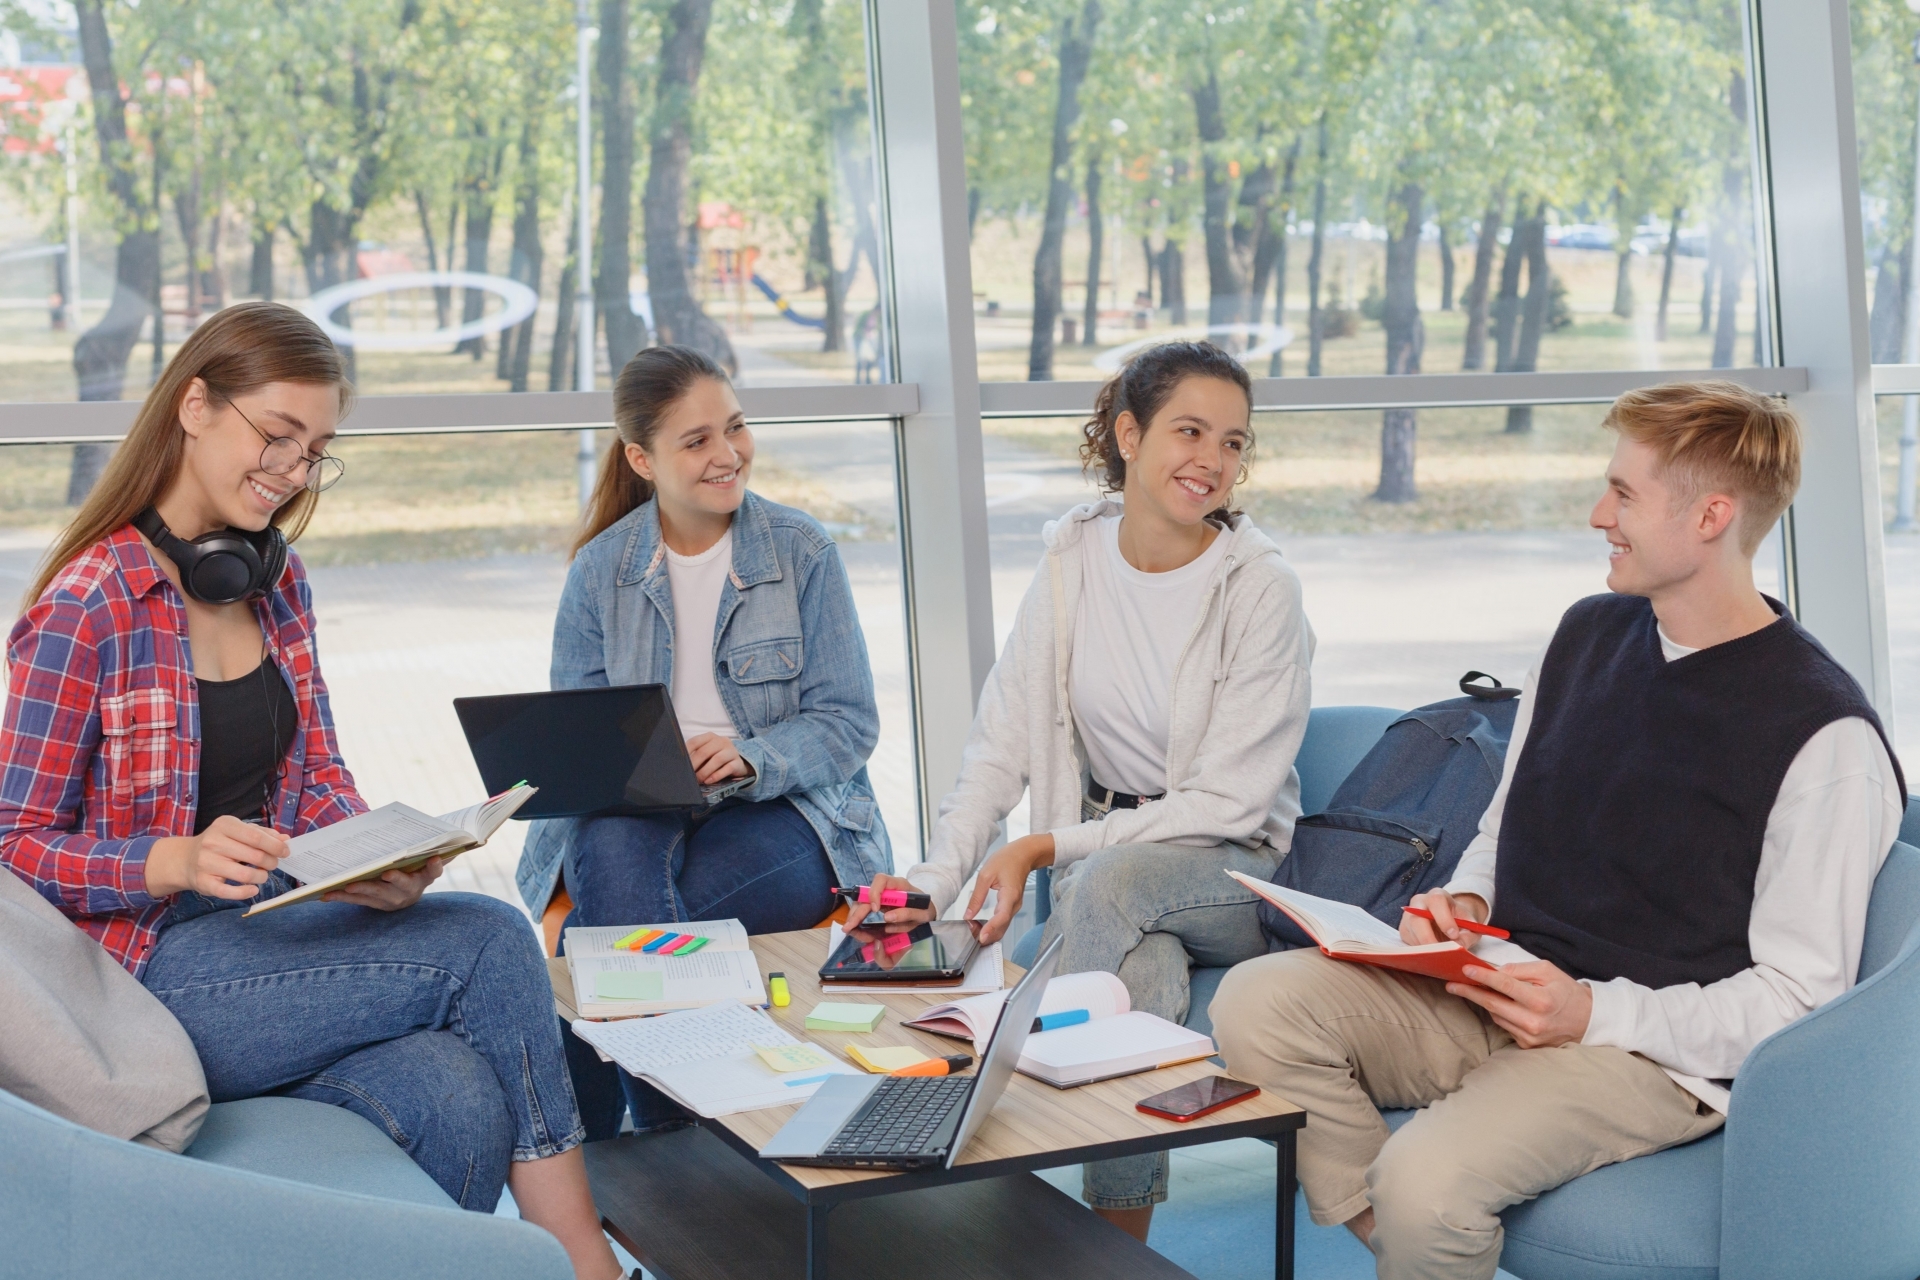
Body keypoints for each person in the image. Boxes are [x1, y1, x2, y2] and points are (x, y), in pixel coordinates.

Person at [1210, 381, 1906, 1280]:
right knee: (1258, 1002)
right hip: (1507, 989)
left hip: (1648, 1053)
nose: (1597, 514)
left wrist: (1592, 1013)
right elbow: (1510, 821)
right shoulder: (1585, 633)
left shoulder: (1824, 735)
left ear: (1712, 517)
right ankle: (1415, 1247)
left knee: (1427, 1180)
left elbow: (1796, 1006)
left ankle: (1428, 1224)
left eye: (1624, 495)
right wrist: (1465, 898)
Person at [0, 303, 624, 1280]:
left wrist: (376, 857)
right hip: (143, 978)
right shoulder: (89, 606)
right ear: (195, 404)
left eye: (316, 448)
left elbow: (320, 774)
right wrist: (168, 859)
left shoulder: (272, 582)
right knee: (494, 937)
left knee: (455, 1091)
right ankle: (588, 1260)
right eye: (276, 436)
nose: (293, 471)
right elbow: (14, 841)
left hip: (267, 934)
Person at [860, 341, 1315, 1239]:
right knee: (1140, 963)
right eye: (1190, 432)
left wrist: (1045, 848)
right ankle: (1118, 1246)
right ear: (1129, 433)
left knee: (1104, 888)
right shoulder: (1071, 563)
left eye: (1233, 442)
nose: (1213, 461)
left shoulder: (1262, 591)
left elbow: (1228, 805)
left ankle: (979, 1124)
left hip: (1235, 868)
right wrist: (934, 881)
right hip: (1107, 867)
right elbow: (1002, 740)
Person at [516, 345, 892, 1130]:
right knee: (620, 863)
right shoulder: (598, 573)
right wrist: (635, 763)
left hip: (783, 813)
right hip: (636, 814)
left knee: (603, 942)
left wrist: (754, 758)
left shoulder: (800, 552)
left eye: (735, 428)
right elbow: (580, 736)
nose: (729, 455)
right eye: (696, 441)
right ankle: (688, 1148)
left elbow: (849, 723)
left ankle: (616, 1149)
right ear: (641, 459)